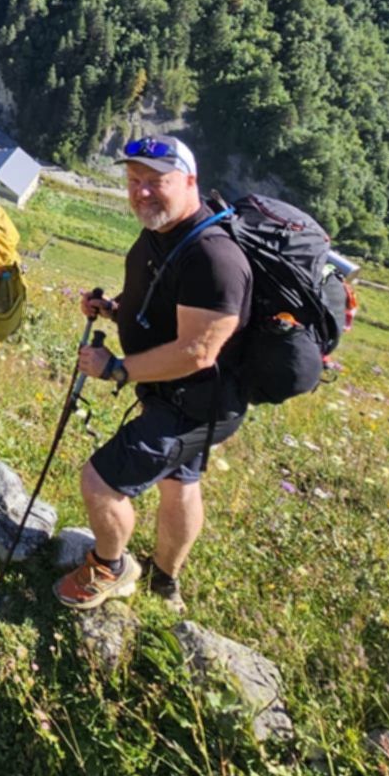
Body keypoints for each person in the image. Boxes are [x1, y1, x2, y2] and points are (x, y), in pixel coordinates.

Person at [56, 136, 251, 612]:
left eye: (156, 182)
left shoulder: (214, 258)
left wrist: (119, 369)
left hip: (194, 404)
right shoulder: (163, 234)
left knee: (100, 482)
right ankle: (166, 584)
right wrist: (114, 310)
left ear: (190, 182)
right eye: (133, 181)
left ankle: (111, 567)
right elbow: (162, 305)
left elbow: (197, 351)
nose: (141, 192)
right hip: (176, 395)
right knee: (180, 481)